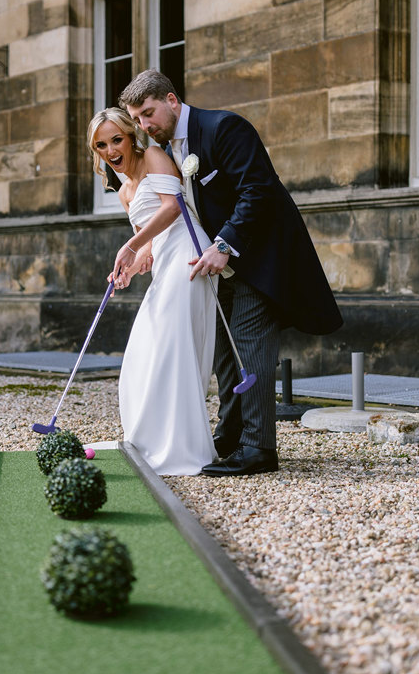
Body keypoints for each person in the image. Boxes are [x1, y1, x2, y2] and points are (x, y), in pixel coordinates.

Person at [119, 69, 343, 477]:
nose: (144, 126)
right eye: (136, 120)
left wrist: (223, 245)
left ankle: (259, 449)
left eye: (148, 113)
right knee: (223, 351)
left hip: (261, 258)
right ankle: (230, 434)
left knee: (250, 345)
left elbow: (257, 188)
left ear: (171, 100)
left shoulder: (224, 127)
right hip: (215, 265)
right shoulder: (169, 150)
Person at [87, 107, 217, 476]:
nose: (112, 149)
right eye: (102, 144)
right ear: (96, 151)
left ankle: (184, 450)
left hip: (191, 255)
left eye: (117, 139)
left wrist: (131, 244)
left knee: (171, 348)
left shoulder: (154, 156)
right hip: (165, 262)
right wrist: (133, 263)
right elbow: (150, 241)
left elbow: (173, 209)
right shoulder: (123, 190)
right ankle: (151, 441)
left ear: (130, 137)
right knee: (145, 351)